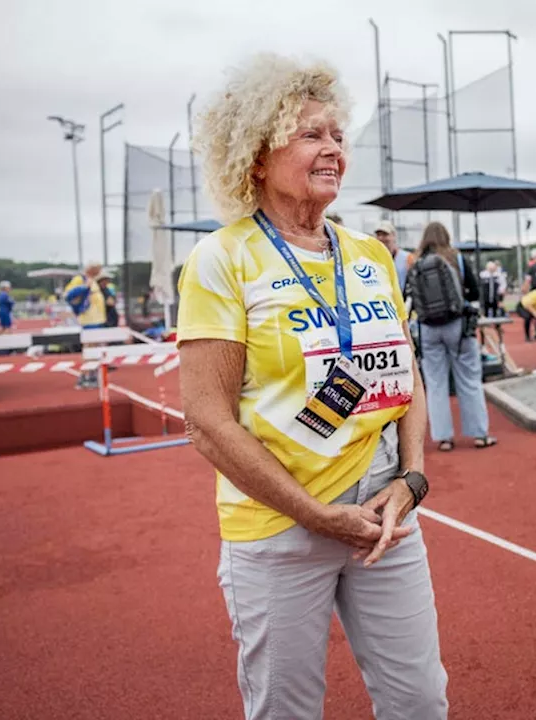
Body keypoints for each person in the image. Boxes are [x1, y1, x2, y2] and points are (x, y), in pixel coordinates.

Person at [178, 53, 448, 720]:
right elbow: (208, 424)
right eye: (309, 135)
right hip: (279, 526)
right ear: (257, 158)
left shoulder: (372, 254)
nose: (331, 149)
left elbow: (407, 370)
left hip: (385, 516)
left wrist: (412, 479)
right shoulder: (223, 259)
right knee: (287, 713)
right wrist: (314, 514)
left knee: (421, 702)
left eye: (336, 134)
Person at [407, 222, 497, 453]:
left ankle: (444, 437)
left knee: (436, 384)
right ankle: (479, 434)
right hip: (458, 325)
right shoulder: (456, 259)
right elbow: (475, 293)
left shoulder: (416, 263)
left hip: (428, 328)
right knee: (469, 379)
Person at [374, 220, 412, 296]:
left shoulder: (407, 258)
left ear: (393, 236)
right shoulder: (372, 258)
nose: (381, 238)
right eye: (378, 235)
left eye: (385, 234)